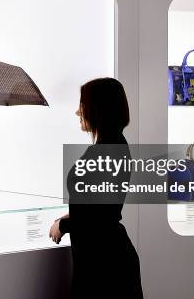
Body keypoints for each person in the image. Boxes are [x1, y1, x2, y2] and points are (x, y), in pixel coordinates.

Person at [49, 77, 143, 298]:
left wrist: (63, 224)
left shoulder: (107, 150)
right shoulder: (114, 145)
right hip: (105, 259)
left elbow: (100, 215)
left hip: (105, 265)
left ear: (98, 108)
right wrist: (71, 213)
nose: (77, 112)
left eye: (82, 105)